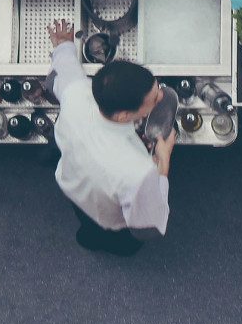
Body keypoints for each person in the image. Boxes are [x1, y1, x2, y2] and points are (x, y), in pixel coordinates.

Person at [45, 19, 174, 256]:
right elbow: (148, 230)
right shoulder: (140, 172)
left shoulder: (76, 94)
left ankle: (87, 239)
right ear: (124, 115)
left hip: (74, 189)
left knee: (86, 229)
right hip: (108, 216)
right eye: (154, 99)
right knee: (119, 243)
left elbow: (61, 73)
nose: (162, 97)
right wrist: (163, 162)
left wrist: (63, 44)